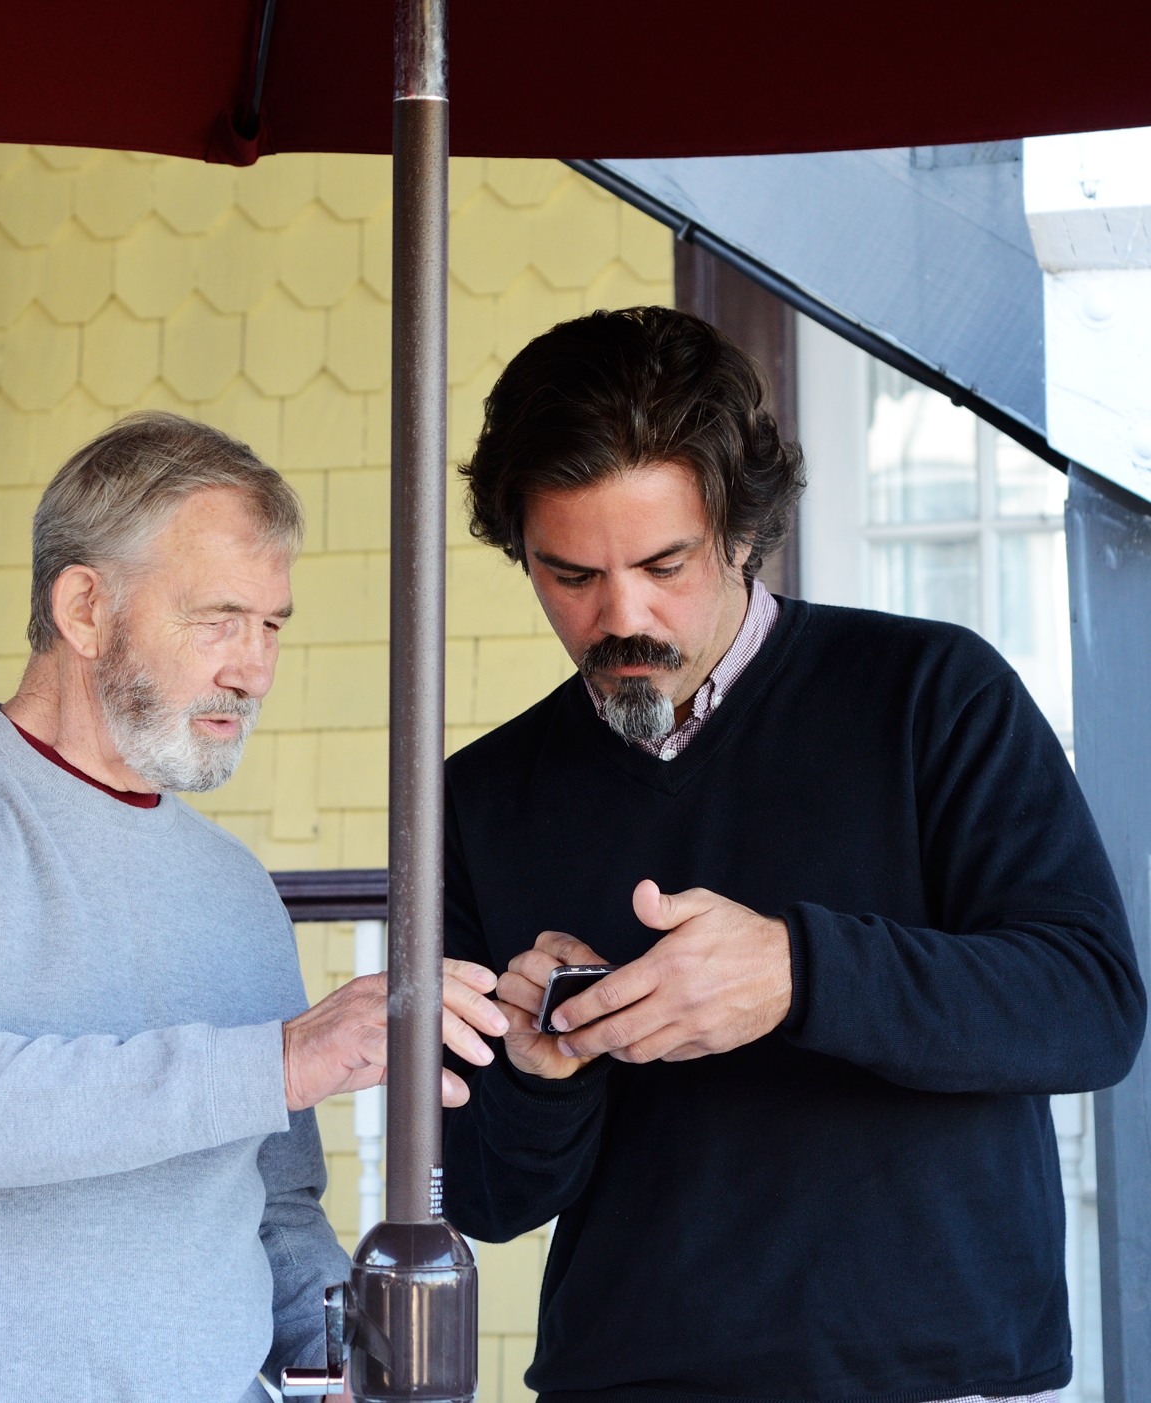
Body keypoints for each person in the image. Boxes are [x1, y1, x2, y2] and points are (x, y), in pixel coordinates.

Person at [441, 306, 1145, 1402]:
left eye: (664, 562)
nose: (620, 616)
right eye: (569, 575)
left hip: (936, 1378)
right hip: (626, 1381)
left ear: (741, 529)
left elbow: (1090, 1006)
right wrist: (540, 1082)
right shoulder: (478, 798)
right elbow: (484, 1200)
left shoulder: (932, 693)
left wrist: (798, 972)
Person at [0, 411, 510, 1403]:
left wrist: (349, 1356)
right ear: (83, 608)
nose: (252, 667)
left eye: (272, 625)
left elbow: (272, 1209)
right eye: (217, 618)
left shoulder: (237, 888)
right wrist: (279, 1060)